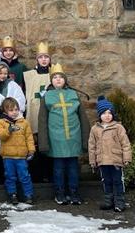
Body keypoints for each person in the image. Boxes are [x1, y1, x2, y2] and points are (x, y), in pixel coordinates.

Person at [38, 63, 91, 205]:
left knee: (73, 168)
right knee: (58, 169)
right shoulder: (47, 96)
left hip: (73, 137)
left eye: (61, 77)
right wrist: (43, 143)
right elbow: (42, 121)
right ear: (51, 81)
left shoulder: (73, 95)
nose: (58, 80)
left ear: (65, 80)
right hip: (56, 139)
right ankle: (60, 193)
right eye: (55, 77)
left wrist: (86, 140)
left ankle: (74, 193)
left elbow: (83, 119)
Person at [89, 96, 132, 212]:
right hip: (102, 161)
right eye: (103, 113)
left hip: (116, 160)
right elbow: (91, 146)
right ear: (99, 115)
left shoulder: (118, 127)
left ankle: (120, 201)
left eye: (109, 113)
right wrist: (93, 161)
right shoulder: (95, 129)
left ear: (113, 114)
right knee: (106, 181)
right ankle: (108, 200)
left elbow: (125, 143)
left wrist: (126, 158)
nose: (107, 115)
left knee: (118, 181)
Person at [0, 97, 35, 205]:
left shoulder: (24, 123)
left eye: (16, 109)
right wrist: (9, 130)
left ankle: (28, 195)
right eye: (11, 110)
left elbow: (29, 137)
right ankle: (12, 194)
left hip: (21, 156)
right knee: (10, 176)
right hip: (8, 156)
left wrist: (31, 150)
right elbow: (1, 135)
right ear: (5, 111)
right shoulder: (1, 123)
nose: (14, 112)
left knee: (25, 176)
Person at [23, 42, 52, 182]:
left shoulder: (55, 75)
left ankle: (48, 174)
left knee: (48, 145)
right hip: (33, 114)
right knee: (34, 146)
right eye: (41, 57)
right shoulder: (29, 75)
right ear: (37, 59)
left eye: (46, 57)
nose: (44, 60)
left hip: (49, 116)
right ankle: (36, 175)